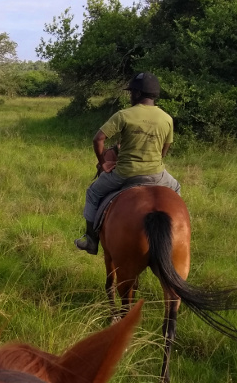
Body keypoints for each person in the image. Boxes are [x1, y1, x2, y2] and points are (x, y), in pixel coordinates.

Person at [74, 72, 182, 255]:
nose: (130, 95)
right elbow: (165, 149)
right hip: (157, 174)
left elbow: (98, 139)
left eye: (132, 92)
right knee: (176, 189)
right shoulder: (167, 119)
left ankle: (91, 240)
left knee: (92, 192)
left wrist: (104, 163)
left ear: (138, 93)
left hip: (124, 173)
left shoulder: (124, 115)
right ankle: (177, 234)